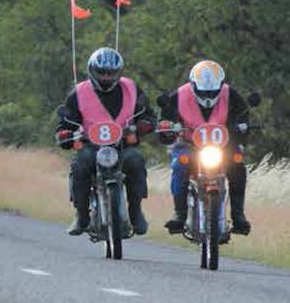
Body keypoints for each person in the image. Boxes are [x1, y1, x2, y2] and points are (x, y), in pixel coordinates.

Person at [56, 47, 156, 236]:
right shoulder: (79, 92)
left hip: (122, 146)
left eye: (111, 73)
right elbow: (66, 121)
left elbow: (148, 114)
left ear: (118, 72)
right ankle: (81, 215)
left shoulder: (132, 88)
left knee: (135, 160)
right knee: (80, 165)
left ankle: (136, 211)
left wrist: (145, 125)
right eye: (101, 72)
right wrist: (64, 133)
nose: (106, 77)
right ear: (92, 71)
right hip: (91, 146)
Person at [157, 60, 251, 235]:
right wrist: (167, 127)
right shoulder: (178, 95)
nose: (208, 96)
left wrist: (242, 127)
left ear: (221, 86)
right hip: (189, 144)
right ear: (193, 85)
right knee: (179, 166)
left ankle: (238, 216)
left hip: (224, 146)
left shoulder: (231, 95)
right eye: (203, 91)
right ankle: (179, 214)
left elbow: (243, 115)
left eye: (212, 92)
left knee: (238, 166)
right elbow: (164, 119)